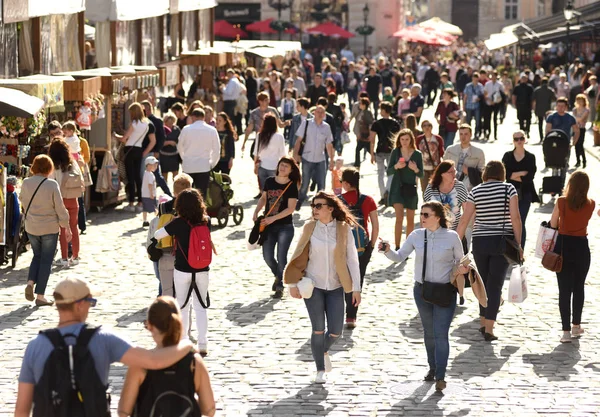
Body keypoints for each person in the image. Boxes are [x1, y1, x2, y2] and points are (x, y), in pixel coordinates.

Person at [14, 277, 195, 417]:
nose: (90, 307)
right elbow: (153, 361)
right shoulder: (102, 339)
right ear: (79, 305)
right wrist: (186, 344)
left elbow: (22, 409)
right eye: (90, 302)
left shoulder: (35, 346)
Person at [380, 201, 467, 392]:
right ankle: (433, 368)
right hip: (422, 292)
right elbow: (400, 256)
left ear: (438, 216)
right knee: (429, 333)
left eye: (426, 215)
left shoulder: (452, 237)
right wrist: (387, 250)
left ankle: (441, 376)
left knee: (441, 334)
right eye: (421, 214)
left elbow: (460, 262)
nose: (422, 218)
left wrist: (463, 268)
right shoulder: (416, 235)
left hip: (445, 291)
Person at [284, 191, 361, 384]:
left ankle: (323, 350)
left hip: (335, 286)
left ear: (330, 208)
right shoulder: (310, 227)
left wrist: (356, 288)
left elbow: (352, 259)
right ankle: (319, 369)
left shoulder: (344, 229)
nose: (315, 209)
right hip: (314, 286)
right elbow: (298, 255)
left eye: (319, 206)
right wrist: (293, 284)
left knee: (336, 330)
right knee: (318, 329)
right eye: (313, 206)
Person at [456, 161, 523, 341]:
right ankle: (489, 328)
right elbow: (515, 218)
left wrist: (454, 243)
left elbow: (464, 220)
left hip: (480, 242)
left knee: (483, 283)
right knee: (495, 285)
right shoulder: (509, 189)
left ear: (486, 174)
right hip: (501, 241)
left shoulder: (475, 191)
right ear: (502, 173)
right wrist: (519, 243)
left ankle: (483, 321)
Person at [117, 296, 216, 417]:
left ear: (150, 326)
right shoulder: (194, 362)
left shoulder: (140, 364)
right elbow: (209, 409)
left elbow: (124, 411)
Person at [154, 189, 217, 356]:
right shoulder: (207, 221)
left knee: (182, 305)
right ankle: (203, 343)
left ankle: (184, 342)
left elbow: (158, 234)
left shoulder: (178, 223)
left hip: (182, 269)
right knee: (201, 306)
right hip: (202, 270)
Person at [549, 171, 594, 343]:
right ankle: (576, 325)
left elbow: (553, 224)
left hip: (563, 246)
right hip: (582, 247)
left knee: (564, 290)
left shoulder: (561, 201)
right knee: (579, 287)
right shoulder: (590, 204)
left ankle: (566, 331)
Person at [20, 155, 70, 307]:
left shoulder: (26, 182)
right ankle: (40, 296)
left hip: (32, 227)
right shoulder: (51, 184)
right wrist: (66, 226)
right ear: (49, 168)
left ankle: (30, 282)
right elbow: (60, 208)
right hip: (49, 227)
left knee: (37, 255)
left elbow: (22, 200)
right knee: (46, 260)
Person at [253, 157, 300, 297]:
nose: (283, 167)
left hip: (284, 226)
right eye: (281, 165)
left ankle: (279, 285)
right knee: (267, 256)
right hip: (268, 226)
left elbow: (290, 209)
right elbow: (263, 198)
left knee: (281, 256)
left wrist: (272, 218)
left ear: (291, 170)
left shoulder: (291, 186)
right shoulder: (269, 181)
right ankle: (279, 276)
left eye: (286, 166)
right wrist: (256, 211)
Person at [339, 168, 378, 328]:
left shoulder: (338, 200)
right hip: (362, 249)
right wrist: (371, 246)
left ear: (347, 184)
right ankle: (351, 316)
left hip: (342, 248)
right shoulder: (368, 200)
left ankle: (339, 311)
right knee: (357, 280)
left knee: (341, 279)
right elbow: (375, 226)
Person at [48, 140, 83, 268]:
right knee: (74, 227)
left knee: (63, 229)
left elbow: (50, 182)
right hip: (73, 199)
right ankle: (75, 256)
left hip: (60, 199)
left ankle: (63, 258)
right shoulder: (72, 163)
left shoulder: (54, 166)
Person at [387, 129, 423, 250]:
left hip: (411, 189)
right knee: (399, 218)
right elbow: (388, 171)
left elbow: (422, 174)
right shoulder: (395, 152)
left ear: (411, 139)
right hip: (397, 188)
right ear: (399, 140)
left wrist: (415, 169)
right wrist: (396, 166)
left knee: (411, 219)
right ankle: (397, 246)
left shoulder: (417, 154)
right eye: (402, 139)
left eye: (407, 139)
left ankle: (407, 247)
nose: (404, 142)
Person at [293, 105, 335, 209]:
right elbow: (298, 140)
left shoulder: (326, 127)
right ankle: (300, 199)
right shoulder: (306, 123)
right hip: (307, 158)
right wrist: (295, 156)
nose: (320, 114)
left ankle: (319, 207)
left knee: (321, 185)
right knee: (305, 184)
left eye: (322, 112)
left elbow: (329, 145)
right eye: (318, 112)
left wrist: (331, 160)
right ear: (314, 113)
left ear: (324, 114)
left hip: (320, 159)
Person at [502, 130, 539, 248]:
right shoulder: (507, 156)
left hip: (526, 192)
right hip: (509, 193)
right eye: (516, 139)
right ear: (513, 141)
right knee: (510, 222)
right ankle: (509, 249)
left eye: (521, 138)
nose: (519, 141)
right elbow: (505, 175)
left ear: (525, 139)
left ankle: (520, 249)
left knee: (521, 221)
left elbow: (529, 177)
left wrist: (514, 175)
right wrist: (521, 173)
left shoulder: (530, 157)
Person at [177, 108, 220, 198]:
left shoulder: (186, 129)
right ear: (203, 117)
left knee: (187, 194)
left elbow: (180, 146)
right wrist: (211, 164)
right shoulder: (212, 130)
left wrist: (184, 159)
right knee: (202, 195)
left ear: (193, 117)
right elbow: (216, 149)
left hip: (188, 166)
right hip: (203, 166)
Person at [369, 102, 400, 205]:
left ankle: (383, 195)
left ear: (383, 110)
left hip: (380, 150)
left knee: (380, 174)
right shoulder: (395, 123)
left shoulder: (376, 123)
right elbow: (398, 140)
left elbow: (372, 140)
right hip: (392, 151)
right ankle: (388, 191)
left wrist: (371, 154)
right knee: (391, 173)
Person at [424, 161, 468, 233]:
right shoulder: (431, 188)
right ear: (442, 174)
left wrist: (460, 233)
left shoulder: (459, 186)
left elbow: (466, 211)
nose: (454, 174)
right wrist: (424, 233)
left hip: (455, 232)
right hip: (434, 233)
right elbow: (424, 212)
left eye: (454, 171)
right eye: (450, 172)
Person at [141, 101, 173, 198]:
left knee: (157, 175)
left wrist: (156, 151)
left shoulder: (156, 121)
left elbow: (161, 137)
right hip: (144, 151)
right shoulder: (142, 121)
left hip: (152, 152)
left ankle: (168, 194)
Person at [444, 124, 486, 192]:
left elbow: (482, 173)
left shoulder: (479, 152)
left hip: (469, 188)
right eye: (461, 134)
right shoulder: (450, 150)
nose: (463, 137)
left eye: (466, 134)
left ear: (470, 135)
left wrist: (469, 171)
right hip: (451, 186)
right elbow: (443, 168)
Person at [254, 113, 287, 192]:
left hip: (262, 166)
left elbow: (256, 153)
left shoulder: (260, 135)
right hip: (274, 166)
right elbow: (283, 154)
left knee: (264, 190)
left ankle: (266, 203)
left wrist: (255, 166)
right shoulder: (279, 136)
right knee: (274, 191)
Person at [416, 120, 444, 194]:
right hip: (423, 168)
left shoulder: (438, 138)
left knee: (436, 188)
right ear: (422, 128)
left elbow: (441, 152)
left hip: (435, 168)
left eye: (428, 125)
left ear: (431, 127)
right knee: (425, 189)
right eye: (424, 126)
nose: (427, 127)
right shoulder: (419, 139)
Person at [482, 71, 505, 141]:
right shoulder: (487, 84)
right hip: (488, 103)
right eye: (492, 76)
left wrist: (498, 101)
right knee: (487, 119)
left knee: (495, 119)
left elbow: (502, 94)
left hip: (496, 104)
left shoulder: (500, 84)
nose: (493, 77)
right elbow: (485, 93)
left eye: (494, 76)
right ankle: (488, 132)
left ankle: (495, 134)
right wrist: (489, 100)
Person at [533, 77, 557, 142]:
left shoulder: (537, 90)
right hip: (547, 109)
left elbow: (534, 101)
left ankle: (541, 137)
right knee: (549, 123)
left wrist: (534, 109)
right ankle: (548, 136)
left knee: (540, 123)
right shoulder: (550, 90)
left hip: (539, 108)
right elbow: (554, 99)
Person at [512, 74, 535, 139]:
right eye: (523, 79)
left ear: (527, 79)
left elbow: (533, 97)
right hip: (520, 105)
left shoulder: (530, 87)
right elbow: (514, 96)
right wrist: (514, 104)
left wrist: (533, 105)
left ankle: (527, 131)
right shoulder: (517, 87)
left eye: (525, 79)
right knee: (520, 119)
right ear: (521, 79)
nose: (524, 80)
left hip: (528, 105)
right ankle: (521, 132)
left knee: (528, 119)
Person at [353, 97, 374, 168]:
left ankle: (357, 164)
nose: (359, 105)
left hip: (366, 134)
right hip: (362, 134)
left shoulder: (367, 113)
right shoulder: (361, 112)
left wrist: (370, 135)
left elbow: (370, 124)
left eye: (361, 103)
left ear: (364, 105)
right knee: (358, 149)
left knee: (369, 150)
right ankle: (357, 164)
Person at [463, 72, 484, 139]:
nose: (475, 79)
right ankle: (468, 134)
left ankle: (476, 134)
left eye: (476, 78)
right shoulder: (468, 86)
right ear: (472, 78)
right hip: (469, 105)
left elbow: (483, 94)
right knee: (468, 121)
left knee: (477, 121)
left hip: (476, 106)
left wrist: (479, 98)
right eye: (474, 78)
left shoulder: (480, 86)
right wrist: (463, 106)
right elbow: (465, 96)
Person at [572, 94, 590, 168]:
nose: (579, 102)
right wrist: (576, 119)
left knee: (580, 145)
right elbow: (574, 119)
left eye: (581, 101)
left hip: (582, 129)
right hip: (575, 128)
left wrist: (576, 118)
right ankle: (578, 161)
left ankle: (584, 160)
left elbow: (581, 119)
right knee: (576, 144)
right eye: (578, 100)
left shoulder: (586, 110)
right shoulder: (574, 109)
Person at [141, 156, 159, 228]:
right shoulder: (150, 175)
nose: (155, 166)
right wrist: (151, 194)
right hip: (150, 195)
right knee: (155, 207)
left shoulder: (146, 173)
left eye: (156, 165)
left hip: (144, 194)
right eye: (154, 165)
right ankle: (158, 219)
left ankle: (145, 220)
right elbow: (150, 185)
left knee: (145, 208)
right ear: (148, 165)